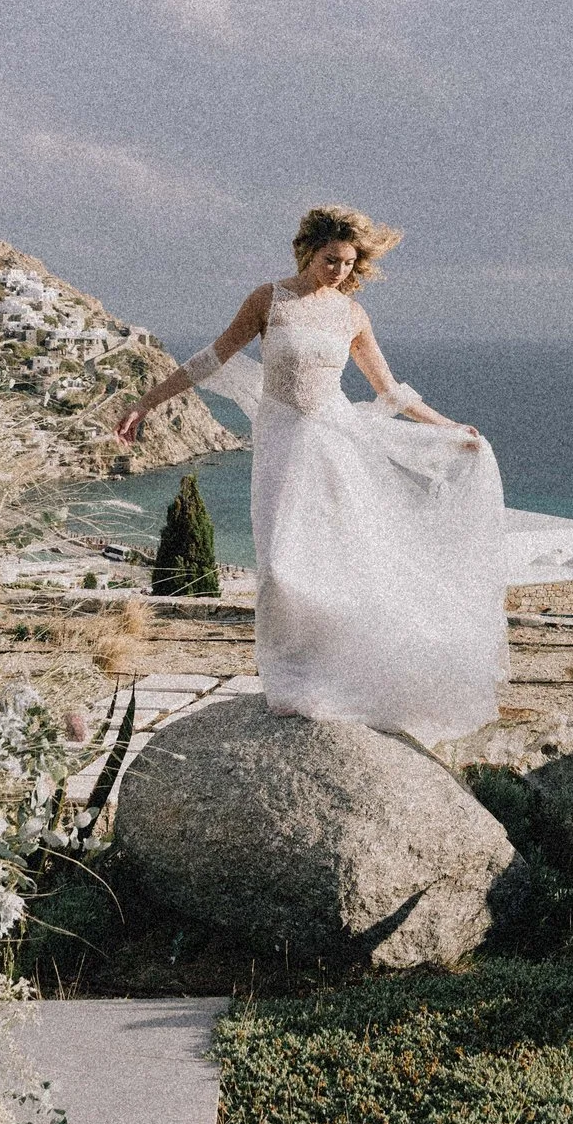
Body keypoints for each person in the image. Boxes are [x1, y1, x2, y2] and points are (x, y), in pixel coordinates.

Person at [113, 206, 507, 743]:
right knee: (278, 564)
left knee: (337, 561)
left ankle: (330, 678)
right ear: (307, 252)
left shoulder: (351, 316)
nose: (339, 272)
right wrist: (147, 402)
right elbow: (212, 358)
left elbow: (387, 390)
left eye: (348, 263)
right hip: (282, 443)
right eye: (330, 260)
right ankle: (290, 680)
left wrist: (448, 425)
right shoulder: (268, 299)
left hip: (333, 441)